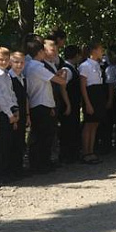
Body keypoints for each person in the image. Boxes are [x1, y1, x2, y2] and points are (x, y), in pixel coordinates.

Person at [26, 39, 67, 173]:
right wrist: (63, 74)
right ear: (39, 52)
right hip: (40, 103)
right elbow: (60, 81)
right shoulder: (37, 67)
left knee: (45, 135)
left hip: (43, 103)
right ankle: (39, 164)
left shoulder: (33, 66)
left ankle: (43, 162)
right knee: (41, 136)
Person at [0, 47, 18, 184]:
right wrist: (9, 114)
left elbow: (11, 94)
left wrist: (15, 109)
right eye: (1, 59)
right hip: (1, 113)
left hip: (10, 112)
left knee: (8, 144)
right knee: (0, 145)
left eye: (6, 59)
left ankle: (6, 171)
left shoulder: (6, 75)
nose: (4, 62)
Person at [78, 42, 106, 164]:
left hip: (98, 95)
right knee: (88, 124)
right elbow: (83, 86)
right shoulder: (85, 66)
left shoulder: (98, 65)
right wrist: (87, 103)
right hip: (91, 95)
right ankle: (85, 152)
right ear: (94, 51)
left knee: (95, 124)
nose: (102, 51)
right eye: (100, 49)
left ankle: (91, 150)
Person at [59, 45, 83, 163]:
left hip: (74, 103)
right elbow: (62, 87)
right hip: (69, 104)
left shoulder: (73, 68)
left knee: (73, 128)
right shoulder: (67, 70)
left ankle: (72, 154)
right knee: (68, 129)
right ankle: (67, 155)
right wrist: (68, 104)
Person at [8, 51, 29, 178]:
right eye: (16, 62)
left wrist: (27, 114)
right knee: (13, 142)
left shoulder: (22, 77)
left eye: (22, 62)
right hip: (13, 114)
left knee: (20, 140)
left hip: (22, 113)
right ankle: (12, 170)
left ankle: (19, 168)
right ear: (10, 63)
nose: (19, 65)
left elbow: (25, 97)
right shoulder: (9, 77)